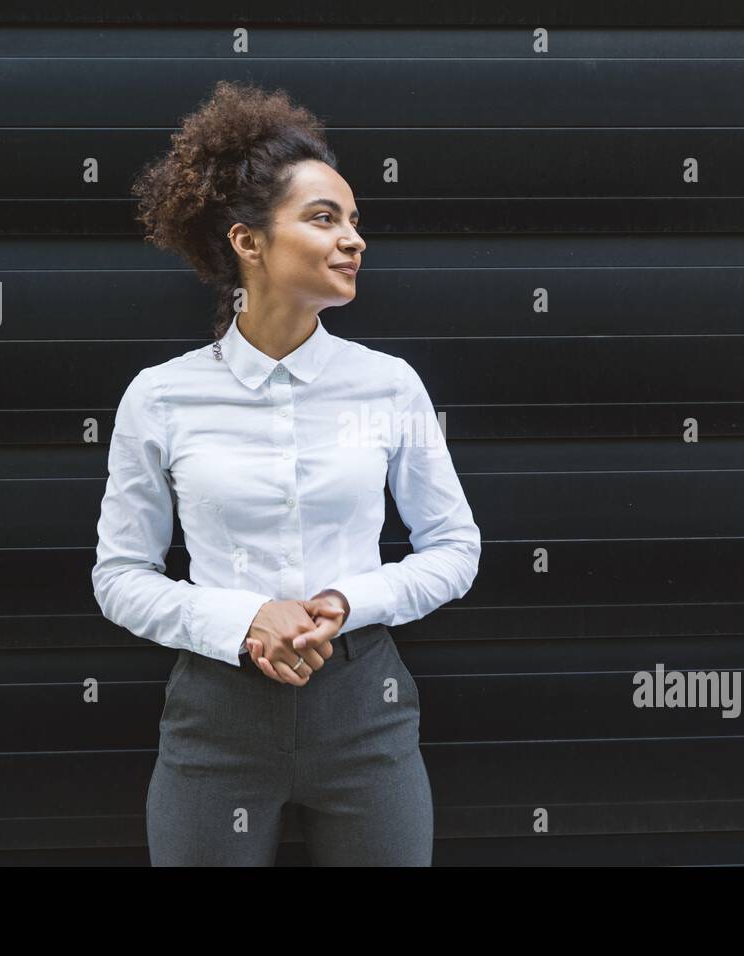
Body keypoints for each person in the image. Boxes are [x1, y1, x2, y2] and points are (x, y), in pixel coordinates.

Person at [91, 80, 481, 865]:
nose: (354, 239)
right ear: (249, 242)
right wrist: (242, 621)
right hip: (217, 717)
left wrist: (347, 600)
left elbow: (454, 547)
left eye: (356, 221)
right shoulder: (162, 396)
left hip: (365, 710)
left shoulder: (389, 385)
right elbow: (120, 575)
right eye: (324, 218)